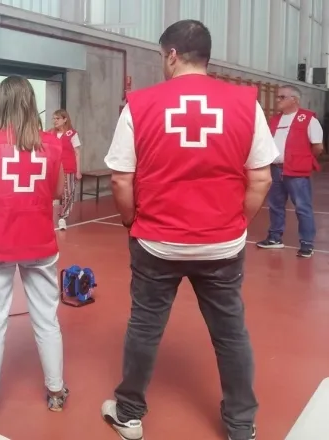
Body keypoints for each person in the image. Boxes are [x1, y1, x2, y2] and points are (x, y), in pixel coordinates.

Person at [101, 20, 276, 440]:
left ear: (173, 55)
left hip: (156, 242)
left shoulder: (139, 105)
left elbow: (121, 180)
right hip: (222, 245)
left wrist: (130, 221)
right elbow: (261, 179)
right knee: (230, 334)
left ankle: (129, 414)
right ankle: (241, 425)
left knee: (145, 326)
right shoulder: (246, 103)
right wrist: (235, 222)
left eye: (162, 56)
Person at [0, 75, 67, 422]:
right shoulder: (54, 145)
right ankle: (56, 391)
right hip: (39, 239)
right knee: (46, 316)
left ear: (0, 104)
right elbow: (57, 192)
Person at [255, 84, 324, 257]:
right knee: (275, 205)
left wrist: (303, 160)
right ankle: (274, 238)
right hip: (276, 170)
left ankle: (307, 243)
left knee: (302, 207)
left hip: (296, 172)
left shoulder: (308, 119)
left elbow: (318, 147)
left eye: (282, 97)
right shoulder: (275, 120)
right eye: (277, 96)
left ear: (294, 99)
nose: (277, 100)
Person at [48, 109, 82, 230]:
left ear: (65, 119)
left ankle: (63, 216)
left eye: (58, 118)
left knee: (69, 193)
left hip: (68, 168)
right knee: (50, 192)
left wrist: (78, 171)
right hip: (53, 169)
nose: (55, 121)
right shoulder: (50, 133)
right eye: (54, 118)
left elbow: (77, 153)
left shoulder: (72, 134)